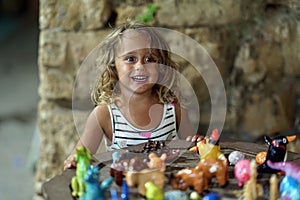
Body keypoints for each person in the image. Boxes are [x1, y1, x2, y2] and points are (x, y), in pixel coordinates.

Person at [64, 21, 202, 170]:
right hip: (126, 189)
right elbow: (80, 155)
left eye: (149, 59)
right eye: (130, 59)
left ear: (161, 66)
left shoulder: (173, 108)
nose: (140, 66)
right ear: (113, 66)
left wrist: (198, 142)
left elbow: (192, 148)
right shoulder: (104, 114)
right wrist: (74, 160)